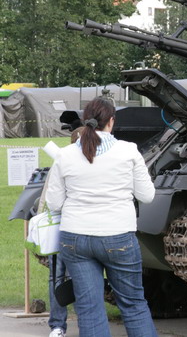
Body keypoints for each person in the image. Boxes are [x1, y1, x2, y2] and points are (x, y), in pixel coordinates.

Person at [46, 97, 157, 337]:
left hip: (75, 238)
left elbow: (54, 203)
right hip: (118, 236)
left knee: (89, 308)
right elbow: (147, 195)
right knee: (133, 305)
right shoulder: (128, 151)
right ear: (111, 121)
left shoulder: (65, 155)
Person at [37, 126, 85, 337]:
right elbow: (48, 199)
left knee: (63, 277)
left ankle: (66, 325)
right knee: (59, 277)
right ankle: (58, 324)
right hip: (66, 228)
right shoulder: (62, 163)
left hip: (79, 228)